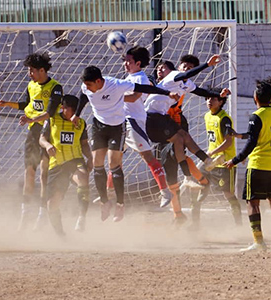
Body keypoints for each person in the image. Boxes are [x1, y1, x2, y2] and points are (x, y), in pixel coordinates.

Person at [73, 66, 178, 222]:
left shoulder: (116, 84)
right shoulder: (86, 87)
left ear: (98, 81)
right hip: (98, 126)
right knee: (97, 164)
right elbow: (83, 95)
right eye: (86, 85)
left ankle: (120, 205)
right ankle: (104, 201)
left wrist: (167, 93)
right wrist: (76, 114)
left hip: (117, 127)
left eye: (89, 85)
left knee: (114, 163)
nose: (87, 88)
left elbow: (141, 88)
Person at [0, 52, 63, 231]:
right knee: (29, 173)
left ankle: (42, 215)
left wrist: (31, 119)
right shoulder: (31, 85)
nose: (29, 73)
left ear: (42, 70)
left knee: (44, 174)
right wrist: (7, 104)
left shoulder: (55, 87)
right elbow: (26, 104)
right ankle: (25, 214)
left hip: (49, 132)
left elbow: (50, 111)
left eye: (32, 70)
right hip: (33, 132)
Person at [224, 80, 271, 253]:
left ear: (256, 97)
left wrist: (235, 160)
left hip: (258, 164)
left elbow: (252, 142)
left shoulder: (256, 116)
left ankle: (258, 242)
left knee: (252, 203)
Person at [145, 55, 228, 189]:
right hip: (151, 117)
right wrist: (207, 64)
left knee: (184, 137)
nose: (187, 70)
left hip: (162, 116)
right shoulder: (174, 75)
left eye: (190, 68)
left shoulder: (187, 83)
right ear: (179, 67)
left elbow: (201, 91)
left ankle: (205, 162)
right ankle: (187, 176)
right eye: (185, 66)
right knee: (178, 139)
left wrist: (220, 95)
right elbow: (189, 74)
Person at [119, 45, 172, 208]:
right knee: (115, 159)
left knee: (148, 157)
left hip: (134, 122)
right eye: (125, 61)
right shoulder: (128, 79)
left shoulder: (140, 78)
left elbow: (135, 97)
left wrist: (114, 97)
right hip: (122, 122)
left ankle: (165, 191)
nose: (125, 64)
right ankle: (110, 193)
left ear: (138, 63)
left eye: (128, 61)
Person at [39, 94, 93, 236]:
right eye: (72, 110)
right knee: (52, 204)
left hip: (75, 160)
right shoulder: (52, 120)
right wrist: (47, 145)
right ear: (63, 108)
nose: (74, 114)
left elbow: (84, 144)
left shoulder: (80, 123)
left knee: (83, 177)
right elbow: (41, 138)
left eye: (77, 111)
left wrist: (91, 158)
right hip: (56, 164)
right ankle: (61, 235)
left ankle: (82, 218)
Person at [189, 90, 242, 230]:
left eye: (213, 99)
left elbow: (228, 142)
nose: (209, 101)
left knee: (228, 194)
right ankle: (195, 225)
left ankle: (239, 225)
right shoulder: (207, 116)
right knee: (196, 185)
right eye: (207, 98)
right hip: (210, 162)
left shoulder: (224, 119)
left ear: (221, 101)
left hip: (224, 163)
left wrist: (213, 152)